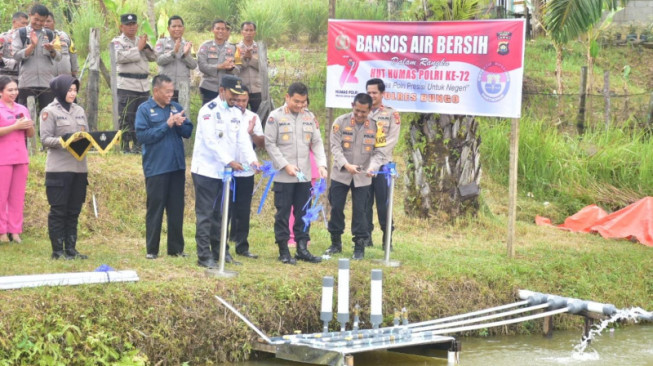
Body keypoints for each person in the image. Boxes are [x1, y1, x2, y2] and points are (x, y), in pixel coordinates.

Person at [191, 75, 259, 269]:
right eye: (233, 94)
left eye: (239, 96)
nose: (236, 99)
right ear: (222, 91)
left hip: (226, 174)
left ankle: (221, 251)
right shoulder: (208, 111)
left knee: (222, 214)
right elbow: (211, 142)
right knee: (206, 214)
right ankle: (204, 256)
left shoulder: (236, 113)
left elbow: (242, 141)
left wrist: (252, 160)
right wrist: (229, 161)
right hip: (206, 171)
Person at [264, 82, 327, 264]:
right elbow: (270, 144)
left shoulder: (309, 117)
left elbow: (317, 142)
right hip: (285, 175)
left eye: (303, 102)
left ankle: (302, 248)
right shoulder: (275, 117)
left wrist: (321, 164)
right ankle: (284, 250)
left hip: (304, 175)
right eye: (296, 102)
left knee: (303, 211)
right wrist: (285, 165)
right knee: (283, 213)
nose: (300, 106)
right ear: (287, 97)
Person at [135, 74, 193, 259]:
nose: (170, 95)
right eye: (167, 91)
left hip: (176, 166)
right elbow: (143, 136)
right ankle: (152, 250)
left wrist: (180, 124)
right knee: (156, 208)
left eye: (172, 91)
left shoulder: (176, 108)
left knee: (176, 208)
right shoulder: (144, 110)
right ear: (156, 91)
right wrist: (166, 125)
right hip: (157, 167)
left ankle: (176, 249)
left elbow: (188, 132)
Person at [325, 93, 383, 260]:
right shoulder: (340, 122)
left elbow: (379, 152)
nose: (359, 115)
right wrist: (346, 165)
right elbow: (335, 148)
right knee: (336, 208)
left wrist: (373, 167)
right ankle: (335, 242)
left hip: (363, 176)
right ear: (352, 105)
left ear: (370, 110)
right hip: (341, 173)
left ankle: (359, 246)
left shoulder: (376, 126)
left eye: (363, 112)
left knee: (361, 211)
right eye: (357, 110)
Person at [40, 74, 89, 259]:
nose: (72, 93)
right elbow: (45, 139)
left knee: (74, 210)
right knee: (59, 210)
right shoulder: (49, 111)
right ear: (60, 90)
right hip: (58, 169)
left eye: (75, 90)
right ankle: (58, 251)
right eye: (69, 90)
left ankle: (71, 249)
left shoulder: (80, 110)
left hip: (79, 168)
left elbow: (87, 135)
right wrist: (66, 141)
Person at [111, 13, 156, 154]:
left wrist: (145, 47)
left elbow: (154, 57)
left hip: (143, 84)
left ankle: (138, 145)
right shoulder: (117, 42)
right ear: (121, 26)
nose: (131, 27)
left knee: (141, 116)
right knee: (126, 116)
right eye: (128, 25)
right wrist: (137, 48)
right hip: (127, 84)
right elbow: (118, 57)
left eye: (134, 24)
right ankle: (124, 146)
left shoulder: (141, 40)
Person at [366, 78, 401, 249]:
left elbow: (391, 141)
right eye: (369, 92)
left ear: (382, 94)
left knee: (383, 204)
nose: (371, 95)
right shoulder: (361, 111)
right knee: (364, 203)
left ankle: (388, 239)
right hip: (364, 166)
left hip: (382, 166)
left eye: (374, 93)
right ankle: (366, 237)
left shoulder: (391, 114)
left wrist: (376, 161)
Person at [229, 85, 262, 259]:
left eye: (244, 100)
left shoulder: (253, 117)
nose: (241, 104)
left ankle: (242, 246)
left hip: (246, 170)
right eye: (238, 100)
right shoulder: (228, 115)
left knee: (243, 209)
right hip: (227, 169)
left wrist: (251, 133)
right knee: (225, 209)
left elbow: (260, 143)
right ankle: (223, 244)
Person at [0, 75, 34, 243]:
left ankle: (15, 231)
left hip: (20, 157)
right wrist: (15, 126)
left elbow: (31, 134)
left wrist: (29, 126)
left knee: (17, 196)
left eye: (15, 89)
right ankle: (2, 232)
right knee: (1, 196)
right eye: (10, 90)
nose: (14, 93)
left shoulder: (22, 108)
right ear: (1, 92)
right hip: (3, 158)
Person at [11, 4, 61, 117]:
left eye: (42, 21)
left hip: (47, 84)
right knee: (25, 118)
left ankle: (44, 136)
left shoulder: (50, 34)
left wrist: (52, 50)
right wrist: (31, 46)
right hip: (26, 83)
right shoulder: (21, 33)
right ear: (30, 16)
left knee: (47, 118)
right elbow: (16, 56)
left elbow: (58, 57)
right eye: (36, 19)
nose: (39, 23)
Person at [154, 15, 197, 103]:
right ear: (168, 28)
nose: (177, 29)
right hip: (165, 87)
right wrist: (173, 53)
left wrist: (185, 55)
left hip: (183, 87)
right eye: (174, 26)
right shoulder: (162, 42)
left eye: (179, 26)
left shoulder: (187, 44)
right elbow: (159, 60)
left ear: (183, 28)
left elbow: (193, 65)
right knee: (165, 114)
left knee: (182, 113)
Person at [197, 19, 239, 106]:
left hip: (226, 88)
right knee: (208, 113)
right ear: (212, 30)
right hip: (209, 87)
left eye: (223, 29)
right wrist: (220, 66)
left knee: (226, 114)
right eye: (218, 28)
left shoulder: (233, 48)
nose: (220, 31)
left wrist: (231, 68)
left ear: (226, 31)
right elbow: (202, 66)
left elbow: (238, 69)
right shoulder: (205, 46)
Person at [236, 22, 262, 113]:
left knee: (259, 116)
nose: (248, 33)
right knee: (240, 114)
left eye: (251, 30)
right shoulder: (236, 48)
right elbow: (235, 68)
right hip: (241, 88)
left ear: (255, 32)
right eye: (246, 30)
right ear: (242, 32)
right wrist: (244, 58)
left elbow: (264, 67)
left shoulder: (260, 48)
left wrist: (251, 59)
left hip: (257, 88)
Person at [44, 12, 79, 78]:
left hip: (66, 78)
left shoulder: (64, 36)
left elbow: (73, 54)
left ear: (54, 22)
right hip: (47, 80)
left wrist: (75, 74)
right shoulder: (39, 38)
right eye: (44, 21)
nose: (45, 24)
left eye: (48, 21)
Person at [0, 12, 29, 81]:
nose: (25, 26)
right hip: (5, 76)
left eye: (26, 24)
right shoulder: (3, 37)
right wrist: (12, 63)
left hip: (23, 77)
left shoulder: (28, 38)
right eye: (23, 23)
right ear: (14, 22)